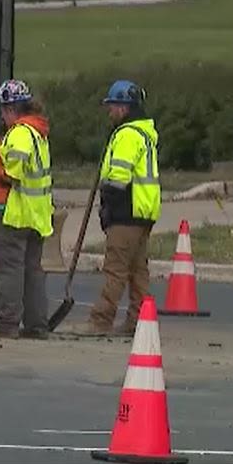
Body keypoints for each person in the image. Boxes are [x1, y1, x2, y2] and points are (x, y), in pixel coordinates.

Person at [78, 80, 160, 337]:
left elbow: (118, 180)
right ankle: (139, 322)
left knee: (115, 269)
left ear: (125, 108)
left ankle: (100, 321)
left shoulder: (126, 135)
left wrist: (108, 208)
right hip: (142, 213)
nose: (110, 111)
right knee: (138, 273)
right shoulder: (144, 134)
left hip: (126, 213)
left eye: (112, 106)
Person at [0, 80, 53, 339]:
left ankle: (6, 323)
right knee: (31, 271)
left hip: (12, 212)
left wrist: (7, 176)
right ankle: (37, 324)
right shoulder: (38, 133)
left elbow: (16, 166)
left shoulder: (20, 133)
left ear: (9, 109)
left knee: (7, 268)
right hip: (34, 215)